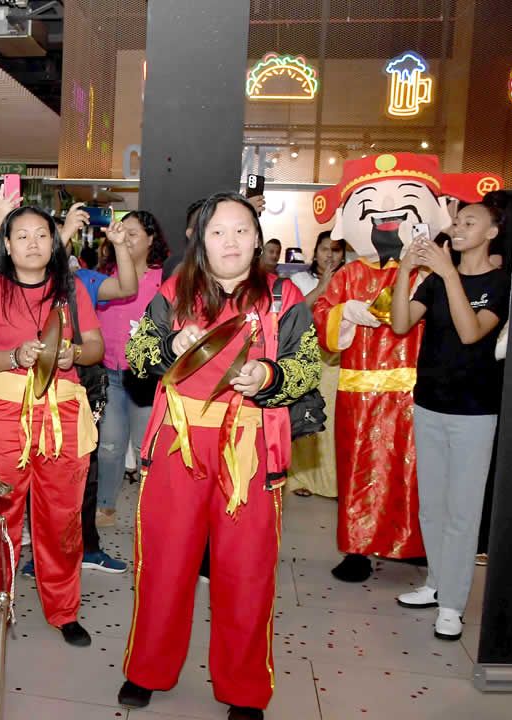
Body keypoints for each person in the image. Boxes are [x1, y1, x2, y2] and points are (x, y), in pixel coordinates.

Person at [118, 193, 320, 720]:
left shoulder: (283, 296)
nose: (230, 242)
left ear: (257, 239)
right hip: (179, 444)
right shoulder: (175, 291)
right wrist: (169, 346)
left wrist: (268, 376)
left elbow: (306, 366)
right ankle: (147, 670)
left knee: (246, 572)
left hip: (249, 450)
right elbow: (136, 356)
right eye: (218, 232)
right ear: (200, 240)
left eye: (241, 231)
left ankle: (244, 688)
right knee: (164, 563)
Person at [311, 153, 499, 583]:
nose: (385, 211)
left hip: (419, 388)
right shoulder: (349, 275)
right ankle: (358, 548)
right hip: (360, 391)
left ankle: (414, 544)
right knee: (359, 470)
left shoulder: (432, 273)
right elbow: (320, 320)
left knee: (416, 472)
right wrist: (344, 313)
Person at [0, 206, 104, 647]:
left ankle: (63, 610)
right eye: (21, 236)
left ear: (53, 241)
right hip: (3, 415)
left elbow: (96, 346)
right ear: (6, 245)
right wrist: (12, 357)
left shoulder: (70, 289)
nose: (32, 244)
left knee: (61, 520)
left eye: (41, 235)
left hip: (62, 415)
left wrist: (73, 354)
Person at [390, 203, 508, 641]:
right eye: (456, 222)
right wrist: (406, 270)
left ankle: (453, 605)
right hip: (429, 404)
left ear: (492, 232)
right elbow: (400, 323)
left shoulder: (499, 283)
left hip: (474, 411)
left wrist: (449, 274)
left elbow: (471, 332)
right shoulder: (436, 280)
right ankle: (437, 583)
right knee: (433, 506)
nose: (458, 228)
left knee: (462, 512)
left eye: (469, 222)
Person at [92, 211, 167, 529]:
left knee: (145, 448)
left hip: (145, 379)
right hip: (110, 373)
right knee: (109, 447)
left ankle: (153, 511)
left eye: (134, 233)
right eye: (122, 232)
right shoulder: (105, 276)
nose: (126, 238)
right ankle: (105, 506)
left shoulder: (164, 280)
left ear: (151, 239)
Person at [285, 231, 345, 498]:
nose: (330, 255)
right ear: (315, 252)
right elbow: (295, 313)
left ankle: (336, 481)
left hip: (339, 359)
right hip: (308, 357)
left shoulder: (350, 279)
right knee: (307, 415)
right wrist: (323, 286)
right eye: (324, 249)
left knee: (335, 420)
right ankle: (302, 478)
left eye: (336, 250)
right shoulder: (299, 280)